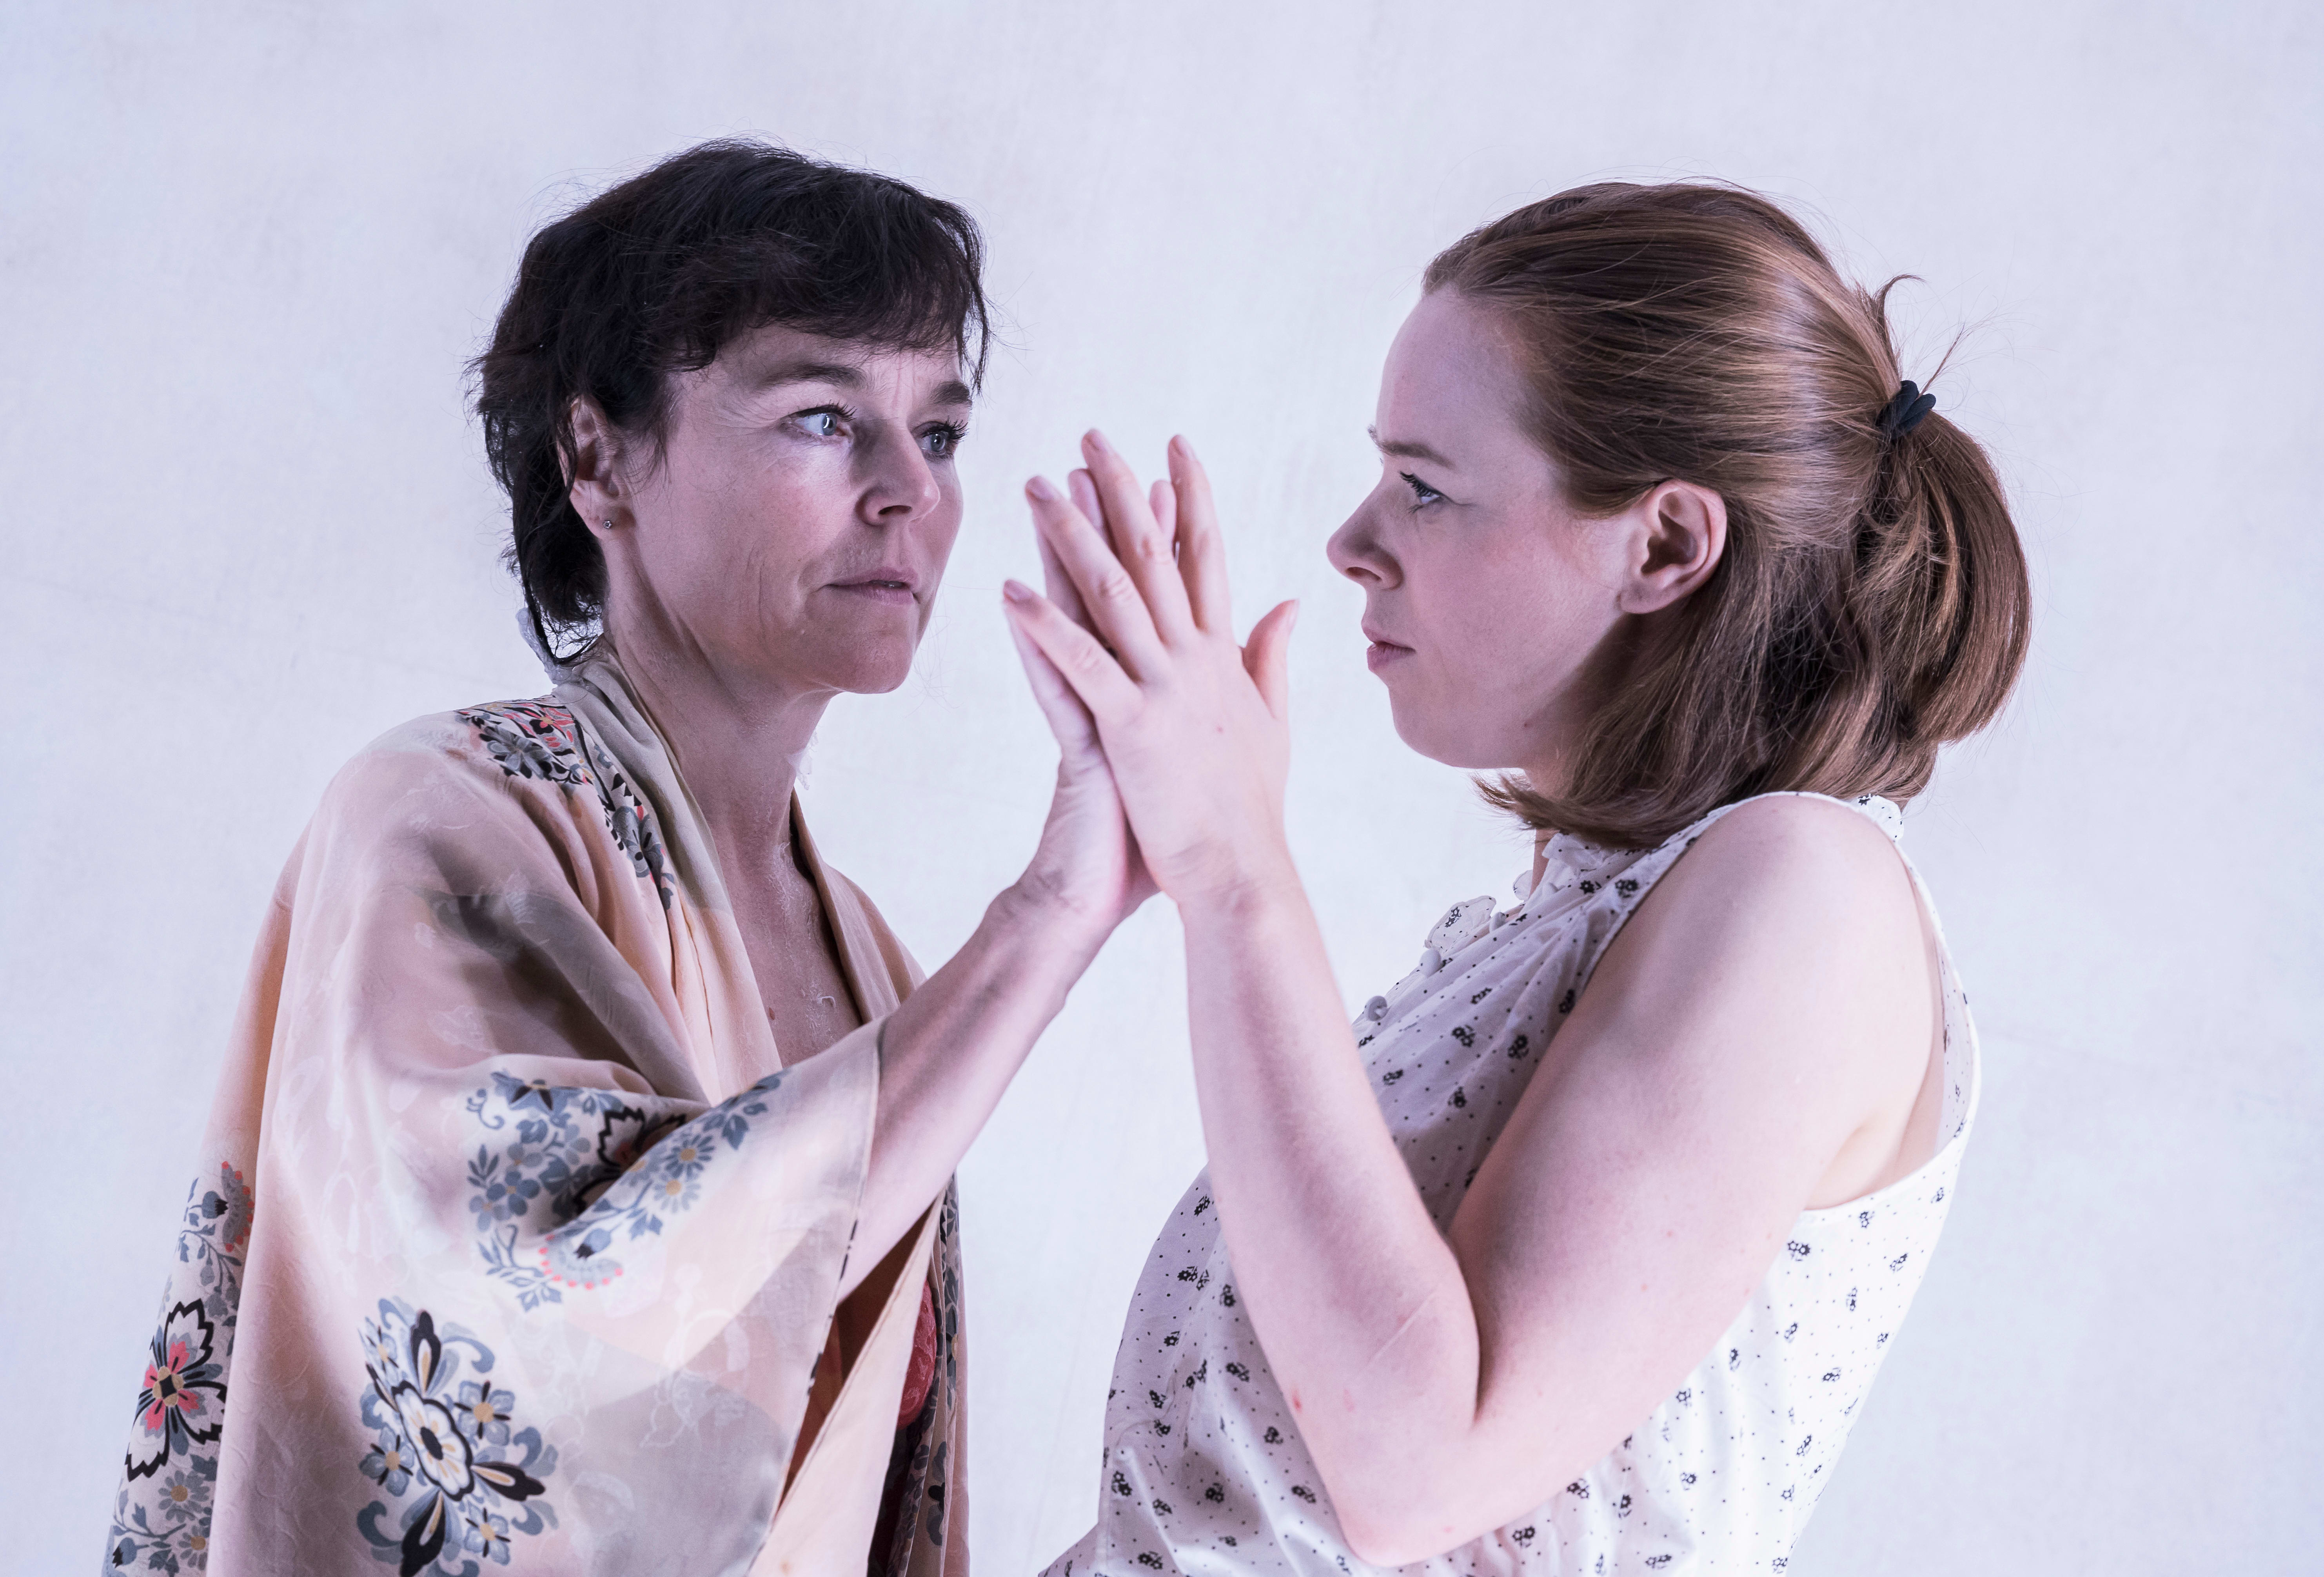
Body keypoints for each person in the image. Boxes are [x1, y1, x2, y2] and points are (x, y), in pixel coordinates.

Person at [103, 141, 1150, 1577]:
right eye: (824, 419)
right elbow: (571, 1327)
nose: (910, 489)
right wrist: (1054, 912)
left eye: (943, 431)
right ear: (597, 458)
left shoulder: (875, 956)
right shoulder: (437, 818)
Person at [1006, 183, 2029, 1574]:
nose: (1353, 542)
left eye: (1426, 488)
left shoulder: (1807, 895)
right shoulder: (1590, 903)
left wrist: (1235, 875)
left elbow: (1419, 1470)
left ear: (1665, 546)